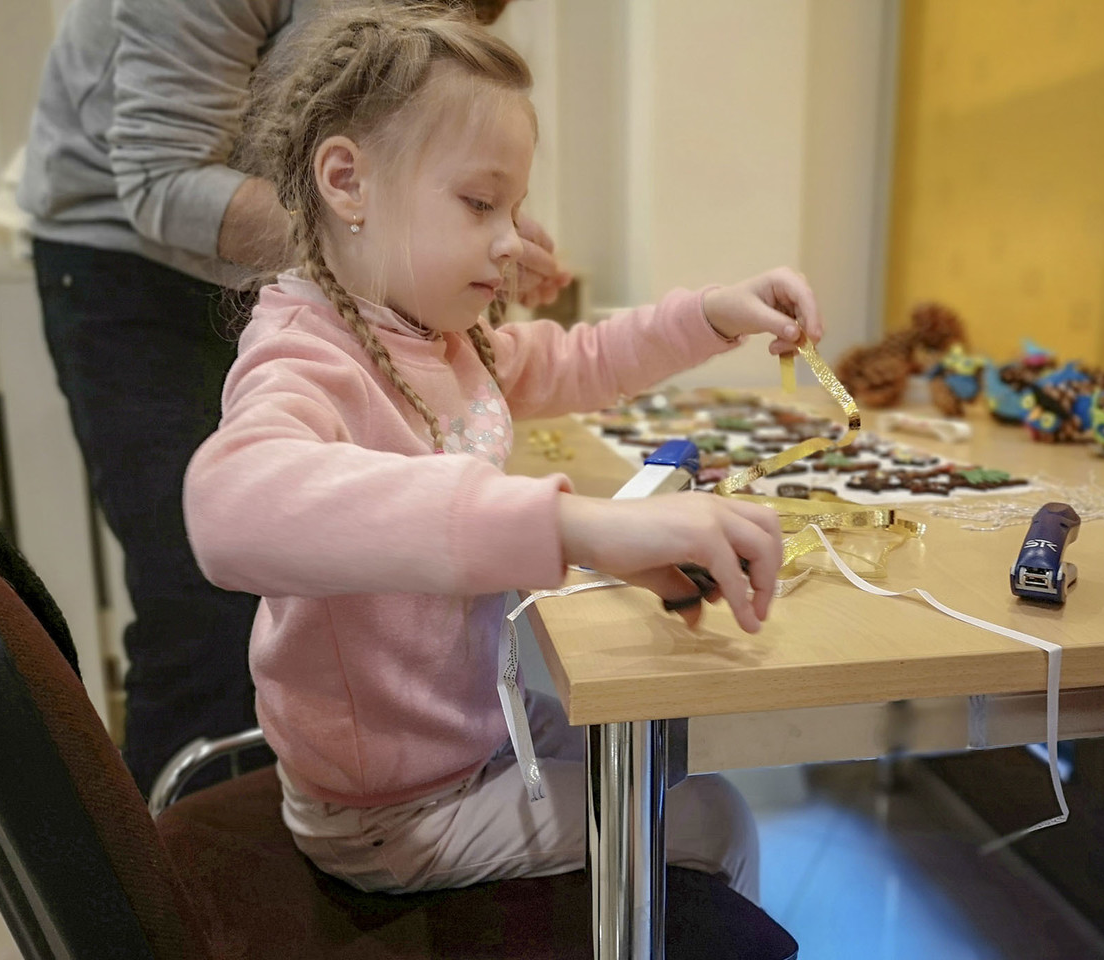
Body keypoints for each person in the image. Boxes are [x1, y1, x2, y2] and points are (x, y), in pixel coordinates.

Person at [181, 2, 825, 899]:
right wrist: (572, 527)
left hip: (475, 733)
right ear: (347, 181)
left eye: (513, 209)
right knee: (713, 818)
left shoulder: (444, 339)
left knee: (657, 759)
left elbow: (581, 358)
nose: (510, 241)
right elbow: (230, 506)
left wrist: (715, 314)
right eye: (479, 203)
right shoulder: (304, 353)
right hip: (389, 811)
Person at [17, 0, 569, 797]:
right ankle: (172, 867)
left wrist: (454, 227)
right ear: (342, 186)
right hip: (131, 272)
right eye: (483, 205)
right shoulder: (311, 307)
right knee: (200, 610)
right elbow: (165, 181)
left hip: (313, 240)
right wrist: (410, 241)